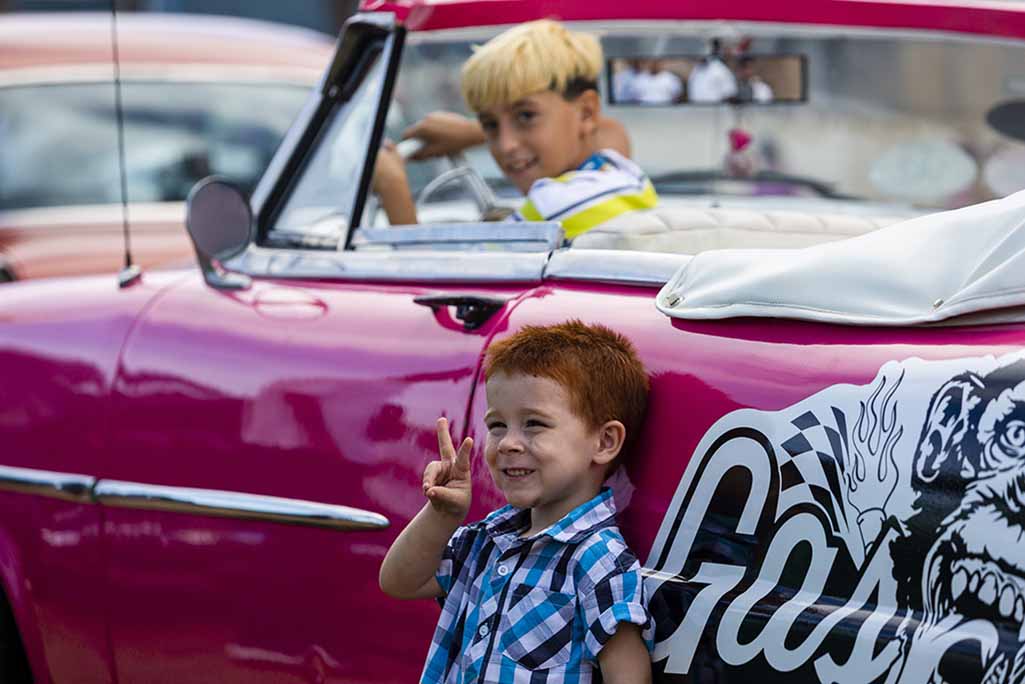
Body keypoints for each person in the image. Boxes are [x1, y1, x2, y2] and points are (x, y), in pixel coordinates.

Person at [379, 320, 653, 683]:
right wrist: (441, 514)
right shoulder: (487, 542)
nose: (507, 443)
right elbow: (399, 581)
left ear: (603, 442)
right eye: (496, 426)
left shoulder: (598, 561)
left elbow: (628, 676)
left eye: (534, 424)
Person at [372, 20, 658, 240]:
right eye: (491, 124)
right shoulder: (619, 172)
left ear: (586, 111)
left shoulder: (553, 208)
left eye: (526, 116)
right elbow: (611, 132)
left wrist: (393, 188)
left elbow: (448, 283)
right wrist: (474, 133)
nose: (506, 145)